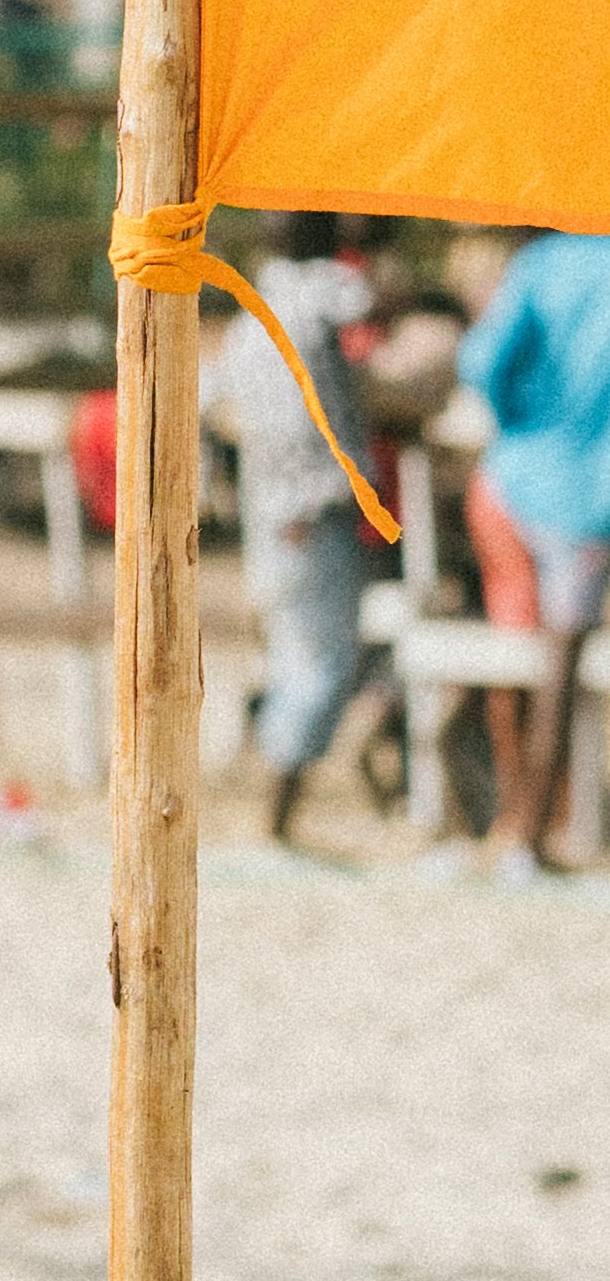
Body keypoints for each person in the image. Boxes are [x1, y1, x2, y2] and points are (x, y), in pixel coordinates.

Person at [213, 217, 391, 847]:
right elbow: (368, 296)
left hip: (270, 509)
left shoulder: (248, 312)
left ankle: (275, 810)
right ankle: (275, 821)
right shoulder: (319, 292)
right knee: (321, 667)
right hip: (311, 511)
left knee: (302, 658)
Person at [452, 221, 610, 870]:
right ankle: (545, 830)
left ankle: (514, 822)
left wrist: (522, 414)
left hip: (515, 481)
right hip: (591, 497)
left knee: (512, 652)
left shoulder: (543, 263)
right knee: (560, 664)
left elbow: (481, 363)